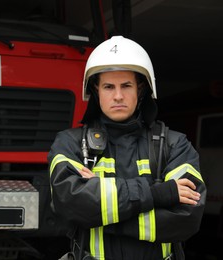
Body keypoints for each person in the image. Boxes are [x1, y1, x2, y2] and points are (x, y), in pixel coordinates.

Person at [48, 36, 206, 260]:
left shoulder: (175, 144)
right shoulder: (70, 144)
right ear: (96, 90)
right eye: (109, 86)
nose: (118, 96)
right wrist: (157, 194)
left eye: (126, 85)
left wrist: (101, 214)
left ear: (141, 90)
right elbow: (70, 203)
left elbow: (186, 218)